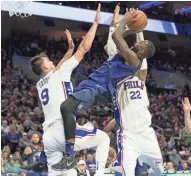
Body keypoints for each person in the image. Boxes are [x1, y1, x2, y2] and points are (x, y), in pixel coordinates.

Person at [59, 8, 155, 174]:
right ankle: (59, 154)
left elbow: (115, 37)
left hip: (99, 88)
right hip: (92, 82)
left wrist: (125, 20)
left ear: (141, 51)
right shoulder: (127, 55)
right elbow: (114, 40)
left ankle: (69, 155)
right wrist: (126, 27)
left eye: (142, 43)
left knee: (66, 107)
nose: (139, 41)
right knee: (64, 112)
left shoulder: (133, 59)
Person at [30, 5, 101, 175]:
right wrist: (96, 23)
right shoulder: (58, 73)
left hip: (48, 136)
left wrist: (69, 50)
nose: (53, 61)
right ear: (46, 67)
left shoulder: (41, 83)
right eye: (48, 60)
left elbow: (57, 68)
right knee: (104, 139)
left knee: (63, 173)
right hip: (63, 129)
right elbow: (84, 48)